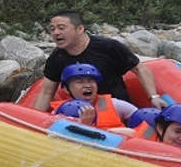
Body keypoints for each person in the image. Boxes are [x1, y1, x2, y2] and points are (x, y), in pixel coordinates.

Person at [32, 10, 168, 112]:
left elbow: (140, 69)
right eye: (52, 29)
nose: (55, 33)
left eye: (61, 28)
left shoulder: (108, 47)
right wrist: (34, 120)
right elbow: (46, 92)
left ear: (80, 29)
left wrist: (153, 96)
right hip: (82, 112)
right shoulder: (56, 58)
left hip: (116, 109)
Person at [51, 63, 138, 130]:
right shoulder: (60, 111)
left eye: (91, 81)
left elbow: (142, 119)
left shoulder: (115, 104)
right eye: (80, 82)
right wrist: (85, 125)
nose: (88, 85)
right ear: (66, 89)